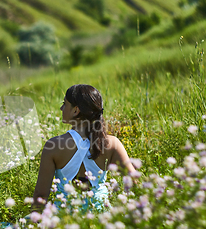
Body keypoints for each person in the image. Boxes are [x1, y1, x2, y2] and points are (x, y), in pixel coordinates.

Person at [30, 84, 137, 215]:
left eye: (64, 104)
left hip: (66, 218)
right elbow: (134, 180)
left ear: (76, 110)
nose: (61, 108)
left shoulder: (53, 145)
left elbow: (41, 194)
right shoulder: (112, 143)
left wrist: (35, 228)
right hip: (101, 216)